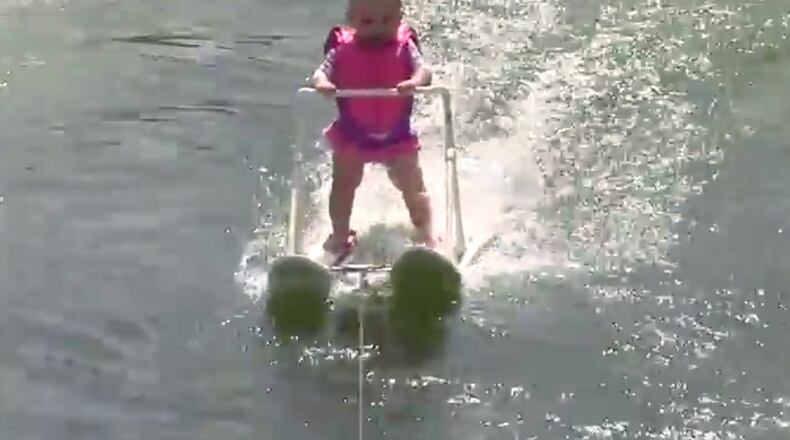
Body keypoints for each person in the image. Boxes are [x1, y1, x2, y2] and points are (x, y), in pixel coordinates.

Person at [310, 0, 435, 258]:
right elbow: (320, 73)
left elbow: (424, 71)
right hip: (352, 135)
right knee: (344, 185)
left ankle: (426, 233)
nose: (377, 28)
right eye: (367, 22)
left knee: (413, 188)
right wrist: (322, 83)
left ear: (399, 18)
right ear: (352, 21)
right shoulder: (341, 50)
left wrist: (414, 81)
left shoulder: (405, 47)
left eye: (386, 20)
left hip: (397, 136)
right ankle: (340, 235)